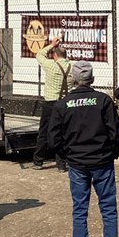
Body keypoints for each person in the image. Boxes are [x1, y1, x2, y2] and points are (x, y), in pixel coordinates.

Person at [48, 61, 119, 237]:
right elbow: (116, 132)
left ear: (72, 79)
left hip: (77, 163)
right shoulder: (103, 101)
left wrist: (66, 155)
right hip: (102, 162)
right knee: (108, 208)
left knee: (80, 209)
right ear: (92, 79)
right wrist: (112, 153)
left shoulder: (63, 104)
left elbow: (53, 138)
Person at [32, 36, 72, 170]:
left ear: (55, 55)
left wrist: (51, 44)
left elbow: (39, 54)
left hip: (50, 103)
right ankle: (61, 164)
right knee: (62, 133)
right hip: (65, 104)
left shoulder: (51, 65)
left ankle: (38, 161)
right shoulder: (72, 67)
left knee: (44, 132)